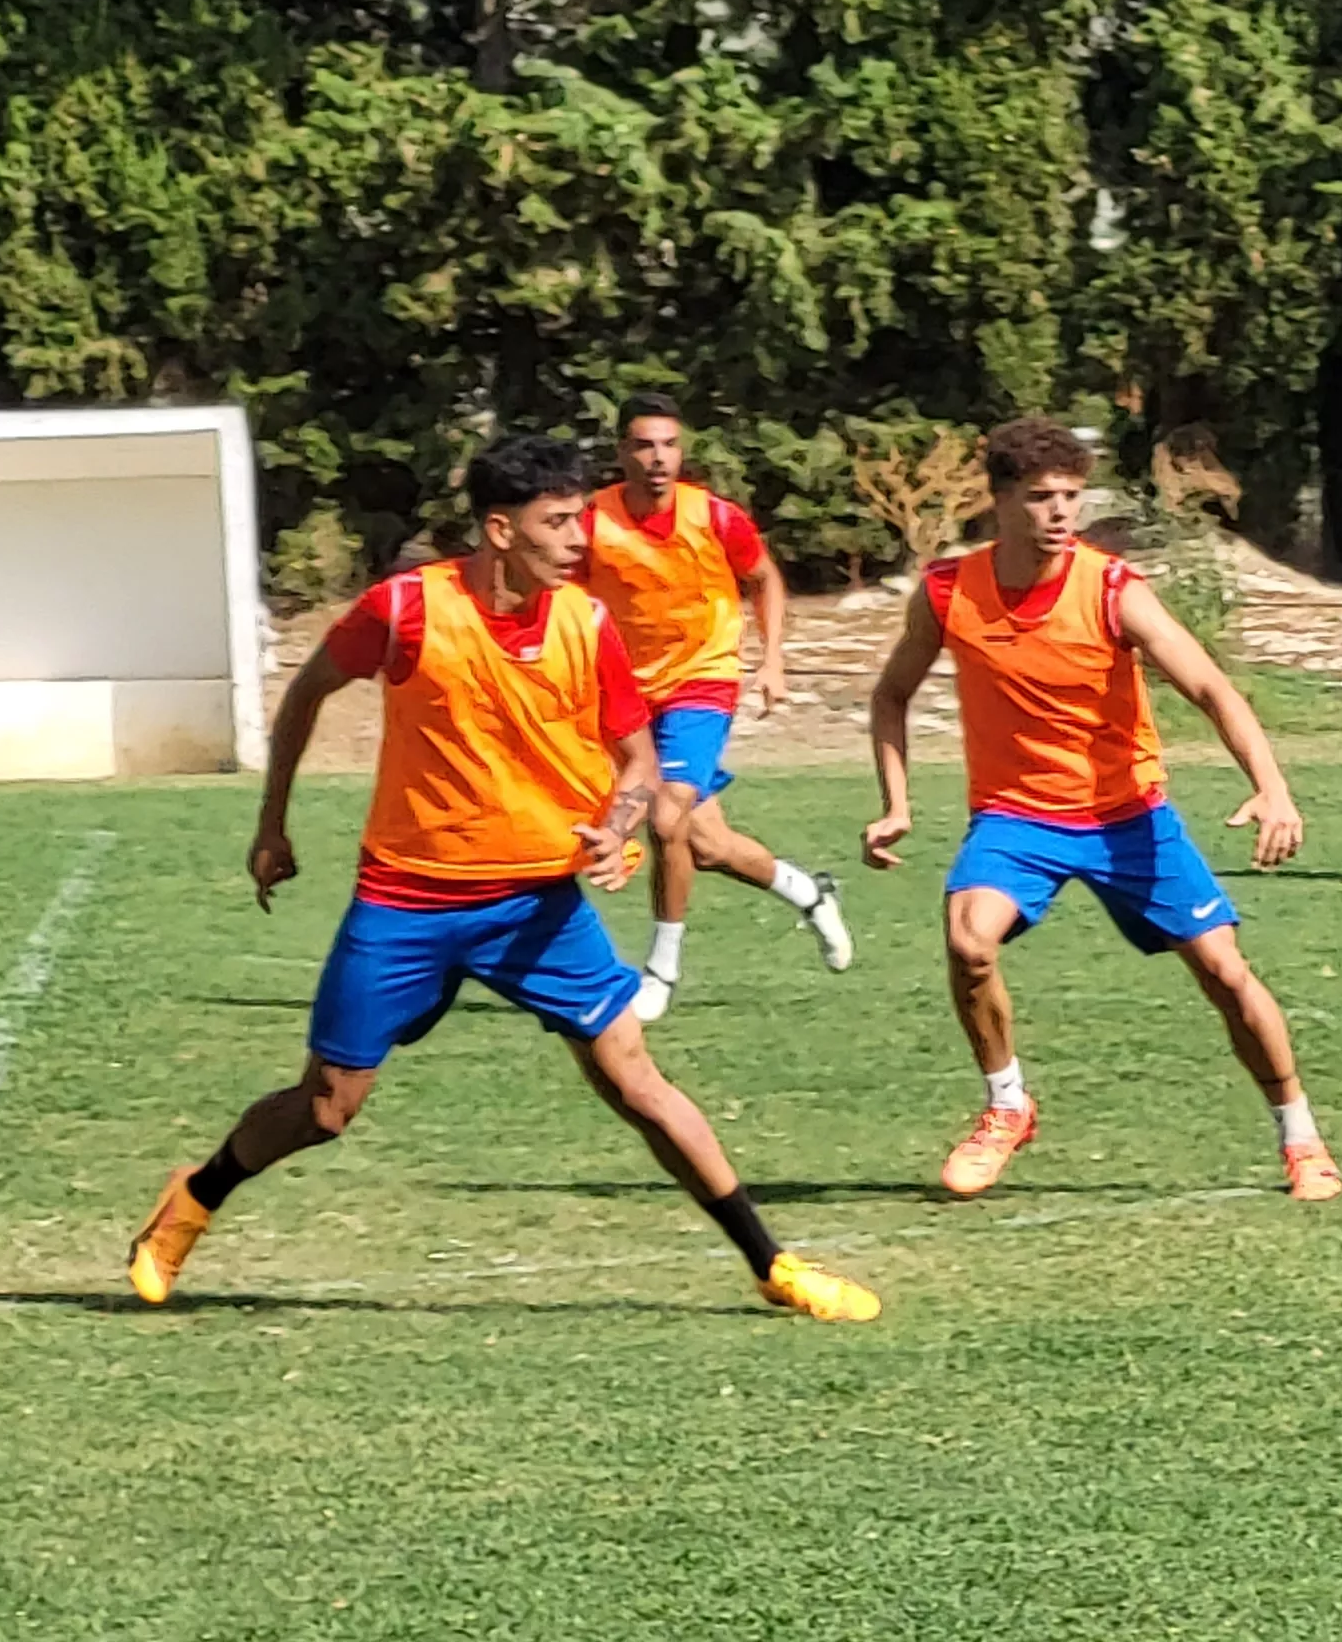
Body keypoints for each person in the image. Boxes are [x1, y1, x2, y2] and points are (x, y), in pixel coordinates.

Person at [125, 436, 878, 1323]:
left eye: (579, 521)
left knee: (636, 1081)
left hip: (536, 905)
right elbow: (306, 695)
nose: (578, 541)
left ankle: (774, 1266)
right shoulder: (405, 609)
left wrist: (619, 827)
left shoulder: (584, 623)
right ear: (498, 529)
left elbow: (637, 761)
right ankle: (194, 1198)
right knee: (327, 1109)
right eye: (557, 523)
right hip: (407, 902)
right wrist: (271, 824)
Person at [863, 417, 1342, 1201]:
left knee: (1224, 973)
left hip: (1129, 817)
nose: (1060, 514)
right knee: (968, 939)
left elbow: (1212, 688)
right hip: (1017, 821)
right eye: (1041, 497)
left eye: (1072, 498)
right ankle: (1008, 1107)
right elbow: (891, 694)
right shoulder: (950, 592)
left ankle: (1301, 1136)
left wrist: (1271, 785)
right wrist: (896, 803)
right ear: (1001, 499)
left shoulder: (1112, 589)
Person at [582, 393, 850, 1018]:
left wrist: (773, 659)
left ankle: (660, 971)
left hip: (703, 680)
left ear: (683, 450)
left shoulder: (715, 517)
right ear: (623, 452)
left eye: (669, 444)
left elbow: (764, 579)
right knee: (704, 844)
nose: (657, 457)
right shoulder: (592, 521)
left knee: (666, 820)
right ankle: (809, 892)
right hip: (625, 692)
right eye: (644, 445)